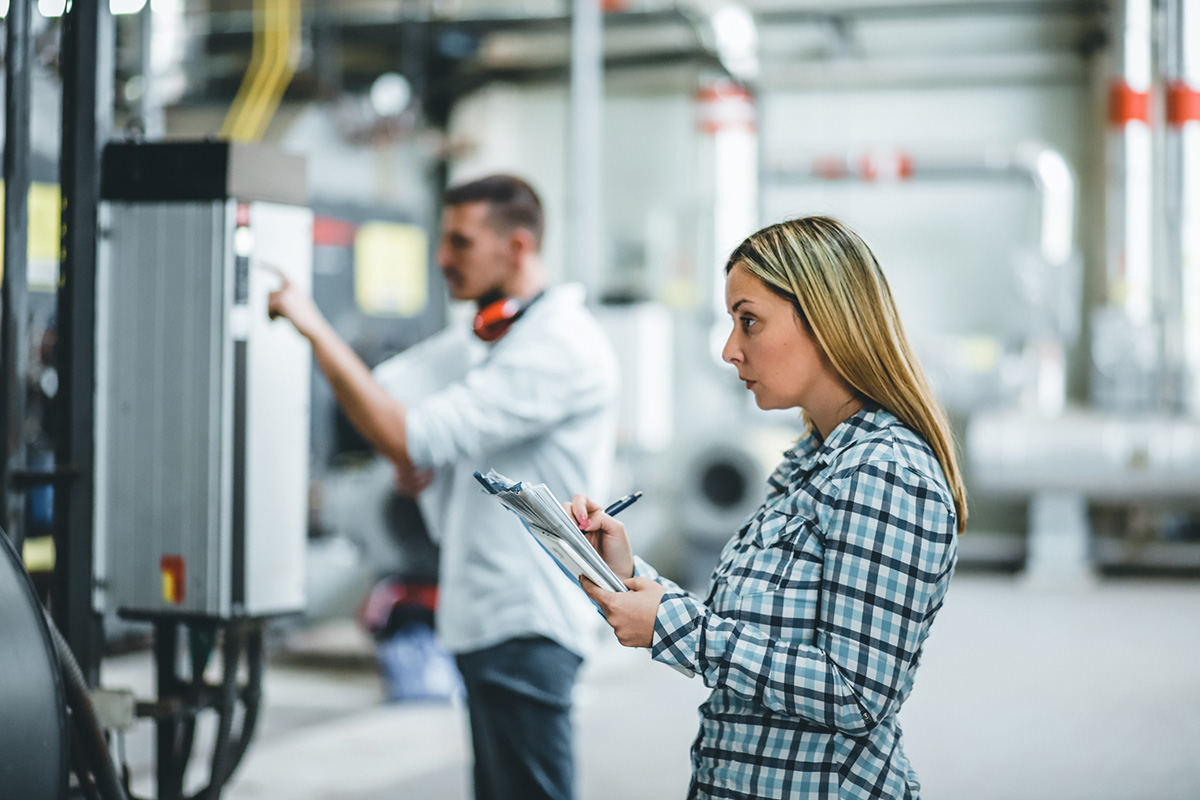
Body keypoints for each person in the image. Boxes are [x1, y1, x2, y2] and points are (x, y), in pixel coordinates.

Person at [569, 216, 966, 799]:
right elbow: (759, 631)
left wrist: (677, 630)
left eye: (749, 321)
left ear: (825, 319)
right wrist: (630, 576)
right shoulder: (815, 459)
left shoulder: (885, 473)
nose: (731, 350)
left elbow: (856, 692)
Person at [267, 174, 619, 800]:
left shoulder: (557, 345)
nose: (442, 258)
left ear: (516, 247)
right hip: (486, 619)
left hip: (526, 621)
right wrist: (423, 450)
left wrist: (312, 325)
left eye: (460, 242)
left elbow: (409, 434)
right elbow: (393, 395)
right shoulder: (492, 333)